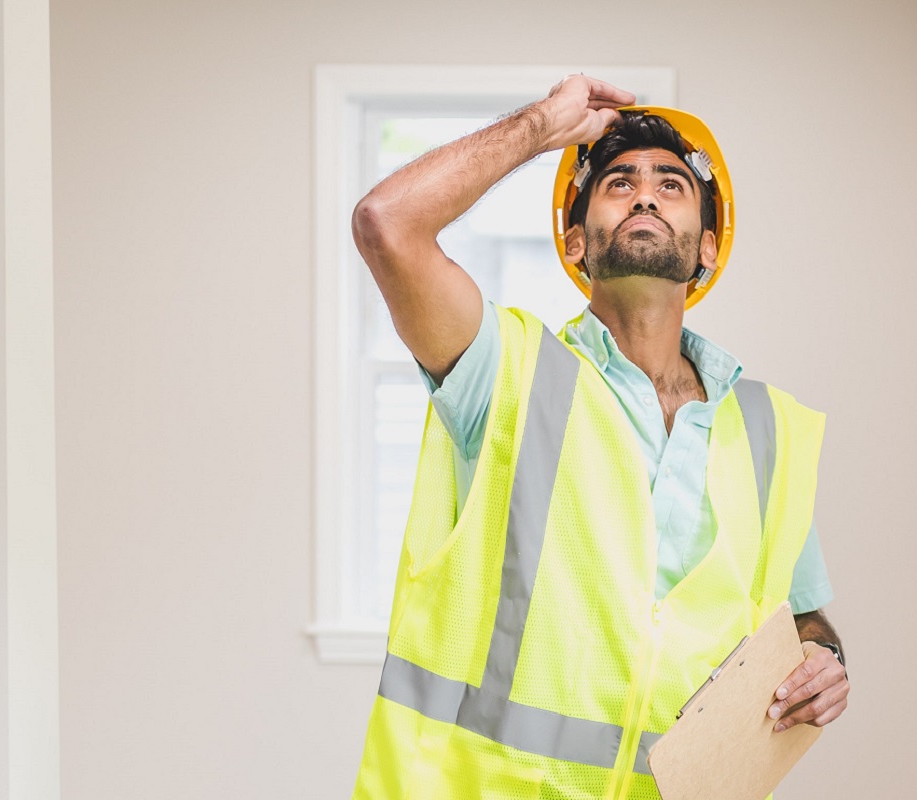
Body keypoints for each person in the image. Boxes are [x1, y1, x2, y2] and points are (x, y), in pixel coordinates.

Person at [349, 75, 850, 799]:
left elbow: (803, 619)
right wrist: (542, 127)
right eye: (619, 182)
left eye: (671, 184)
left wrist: (827, 660)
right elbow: (386, 223)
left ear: (707, 247)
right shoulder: (508, 374)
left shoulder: (770, 430)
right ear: (576, 240)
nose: (645, 193)